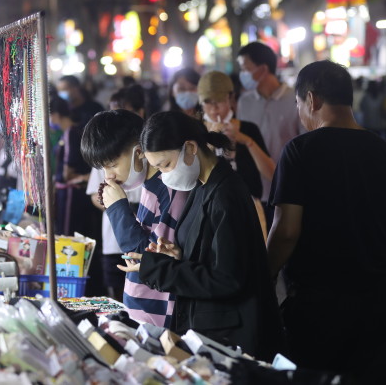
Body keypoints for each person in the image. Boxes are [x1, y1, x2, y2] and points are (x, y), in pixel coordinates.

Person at [267, 60, 386, 384]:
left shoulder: (299, 152)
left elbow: (287, 230)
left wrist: (265, 273)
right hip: (376, 302)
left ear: (312, 99)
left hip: (316, 305)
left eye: (297, 104)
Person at [118, 111, 284, 361]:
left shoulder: (225, 195)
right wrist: (176, 254)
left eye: (165, 165)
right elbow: (208, 255)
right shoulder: (202, 185)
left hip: (232, 335)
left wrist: (157, 268)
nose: (164, 176)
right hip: (210, 326)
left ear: (191, 147)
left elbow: (227, 279)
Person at [81, 109, 189, 327]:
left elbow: (147, 258)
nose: (108, 175)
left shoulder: (168, 189)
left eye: (112, 164)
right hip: (143, 310)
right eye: (102, 168)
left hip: (162, 317)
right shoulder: (149, 186)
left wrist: (117, 208)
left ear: (139, 151)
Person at [85, 86, 147, 301]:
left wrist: (119, 204)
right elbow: (95, 194)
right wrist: (114, 204)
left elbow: (144, 254)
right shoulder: (104, 153)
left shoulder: (156, 175)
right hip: (114, 239)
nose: (108, 176)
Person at [197, 71, 275, 240]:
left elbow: (271, 173)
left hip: (249, 206)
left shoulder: (248, 129)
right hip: (208, 207)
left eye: (218, 100)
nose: (213, 108)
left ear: (230, 99)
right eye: (207, 102)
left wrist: (246, 140)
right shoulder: (197, 131)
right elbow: (192, 172)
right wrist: (210, 141)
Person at [49, 97, 103, 295]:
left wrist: (65, 178)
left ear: (55, 114)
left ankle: (74, 285)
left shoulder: (71, 132)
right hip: (71, 193)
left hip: (71, 194)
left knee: (69, 237)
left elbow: (68, 170)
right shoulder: (70, 132)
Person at [236, 41, 301, 205]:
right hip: (254, 193)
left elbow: (303, 147)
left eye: (245, 68)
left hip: (286, 191)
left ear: (263, 69)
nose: (242, 74)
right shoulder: (245, 102)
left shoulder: (296, 100)